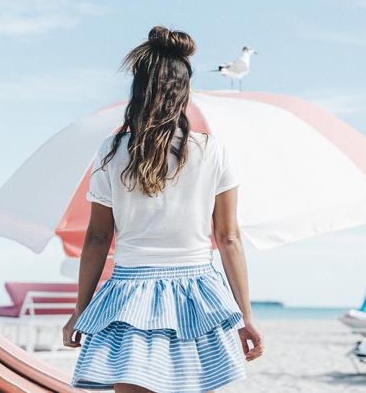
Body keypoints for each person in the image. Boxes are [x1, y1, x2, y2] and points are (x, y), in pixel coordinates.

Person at [63, 26, 263, 392]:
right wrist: (245, 315)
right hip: (198, 296)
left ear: (138, 91)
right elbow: (228, 237)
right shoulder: (212, 151)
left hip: (128, 296)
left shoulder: (112, 151)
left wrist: (82, 308)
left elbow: (96, 238)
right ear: (183, 93)